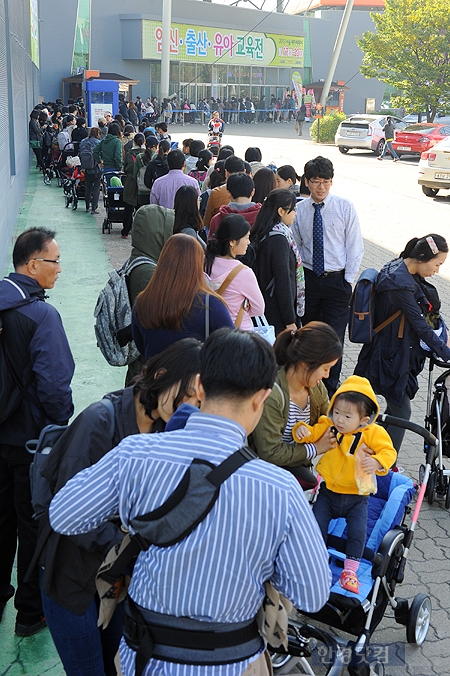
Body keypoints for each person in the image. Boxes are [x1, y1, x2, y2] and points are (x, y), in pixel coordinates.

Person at [49, 328, 331, 676]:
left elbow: (63, 516)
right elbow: (313, 594)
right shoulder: (280, 489)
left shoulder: (136, 455)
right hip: (232, 661)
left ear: (198, 385)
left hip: (146, 659)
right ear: (261, 397)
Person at [33, 340, 202, 676]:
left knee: (118, 666)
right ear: (162, 375)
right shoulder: (99, 421)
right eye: (189, 395)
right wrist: (137, 545)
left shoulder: (165, 429)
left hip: (117, 579)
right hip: (73, 579)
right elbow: (69, 512)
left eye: (200, 400)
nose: (192, 407)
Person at [0, 228, 74, 636]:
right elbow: (55, 386)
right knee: (32, 523)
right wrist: (60, 424)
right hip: (29, 440)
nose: (60, 269)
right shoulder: (41, 315)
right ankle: (29, 612)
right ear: (33, 264)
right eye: (54, 261)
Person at [292, 375, 396, 593]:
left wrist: (377, 460)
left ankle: (350, 571)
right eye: (336, 412)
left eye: (347, 416)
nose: (339, 419)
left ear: (364, 419)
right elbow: (312, 433)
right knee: (315, 526)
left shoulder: (373, 434)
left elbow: (389, 452)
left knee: (357, 534)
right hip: (328, 493)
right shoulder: (329, 425)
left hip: (357, 497)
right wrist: (301, 431)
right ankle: (316, 563)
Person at [355, 234, 450, 452]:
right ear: (423, 258)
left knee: (386, 408)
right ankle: (388, 465)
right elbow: (420, 326)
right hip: (389, 356)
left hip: (390, 351)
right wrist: (445, 352)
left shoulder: (399, 266)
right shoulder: (400, 285)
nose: (437, 270)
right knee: (401, 412)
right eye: (437, 264)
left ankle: (376, 452)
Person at [292, 156, 364, 395]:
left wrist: (348, 281)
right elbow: (297, 246)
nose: (321, 187)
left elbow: (355, 247)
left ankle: (330, 391)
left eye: (326, 181)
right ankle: (309, 388)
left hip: (337, 282)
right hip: (310, 280)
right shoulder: (300, 210)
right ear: (306, 182)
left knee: (334, 341)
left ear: (332, 182)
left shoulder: (345, 207)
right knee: (310, 335)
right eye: (315, 181)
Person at [251, 322, 341, 491]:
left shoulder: (316, 388)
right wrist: (315, 448)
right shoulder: (272, 394)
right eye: (325, 368)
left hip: (295, 467)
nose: (327, 375)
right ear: (305, 364)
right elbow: (270, 452)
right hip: (265, 475)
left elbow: (330, 421)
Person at [132, 234, 234, 360]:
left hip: (156, 376)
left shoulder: (143, 302)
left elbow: (141, 346)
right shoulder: (211, 305)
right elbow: (231, 348)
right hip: (195, 377)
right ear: (197, 264)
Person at [250, 189, 304, 335]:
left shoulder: (265, 231)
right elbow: (283, 282)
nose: (295, 214)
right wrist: (290, 321)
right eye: (293, 210)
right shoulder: (278, 239)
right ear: (281, 211)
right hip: (277, 314)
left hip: (266, 306)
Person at [205, 214, 264, 330]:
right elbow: (259, 309)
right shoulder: (244, 273)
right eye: (246, 237)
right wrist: (243, 307)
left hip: (212, 331)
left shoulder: (204, 263)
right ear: (232, 242)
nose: (248, 242)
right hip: (238, 334)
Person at [208, 172, 261, 239]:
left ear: (229, 193)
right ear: (253, 192)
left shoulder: (217, 219)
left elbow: (211, 246)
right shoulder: (263, 217)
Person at [203, 155, 245, 227]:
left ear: (226, 172)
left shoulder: (216, 192)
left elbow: (207, 222)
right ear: (244, 171)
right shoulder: (249, 191)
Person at [122, 132, 146, 238]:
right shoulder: (148, 154)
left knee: (128, 208)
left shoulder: (129, 154)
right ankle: (141, 232)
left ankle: (125, 231)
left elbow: (125, 168)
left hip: (130, 183)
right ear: (144, 142)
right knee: (141, 209)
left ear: (134, 142)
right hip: (143, 184)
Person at [79, 127, 102, 214]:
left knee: (88, 188)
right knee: (96, 188)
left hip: (86, 168)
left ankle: (87, 207)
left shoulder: (83, 141)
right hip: (96, 169)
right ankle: (94, 208)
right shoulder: (98, 142)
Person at [134, 136, 158, 208]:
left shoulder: (139, 157)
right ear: (154, 146)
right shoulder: (157, 156)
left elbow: (135, 174)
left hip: (141, 190)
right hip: (154, 190)